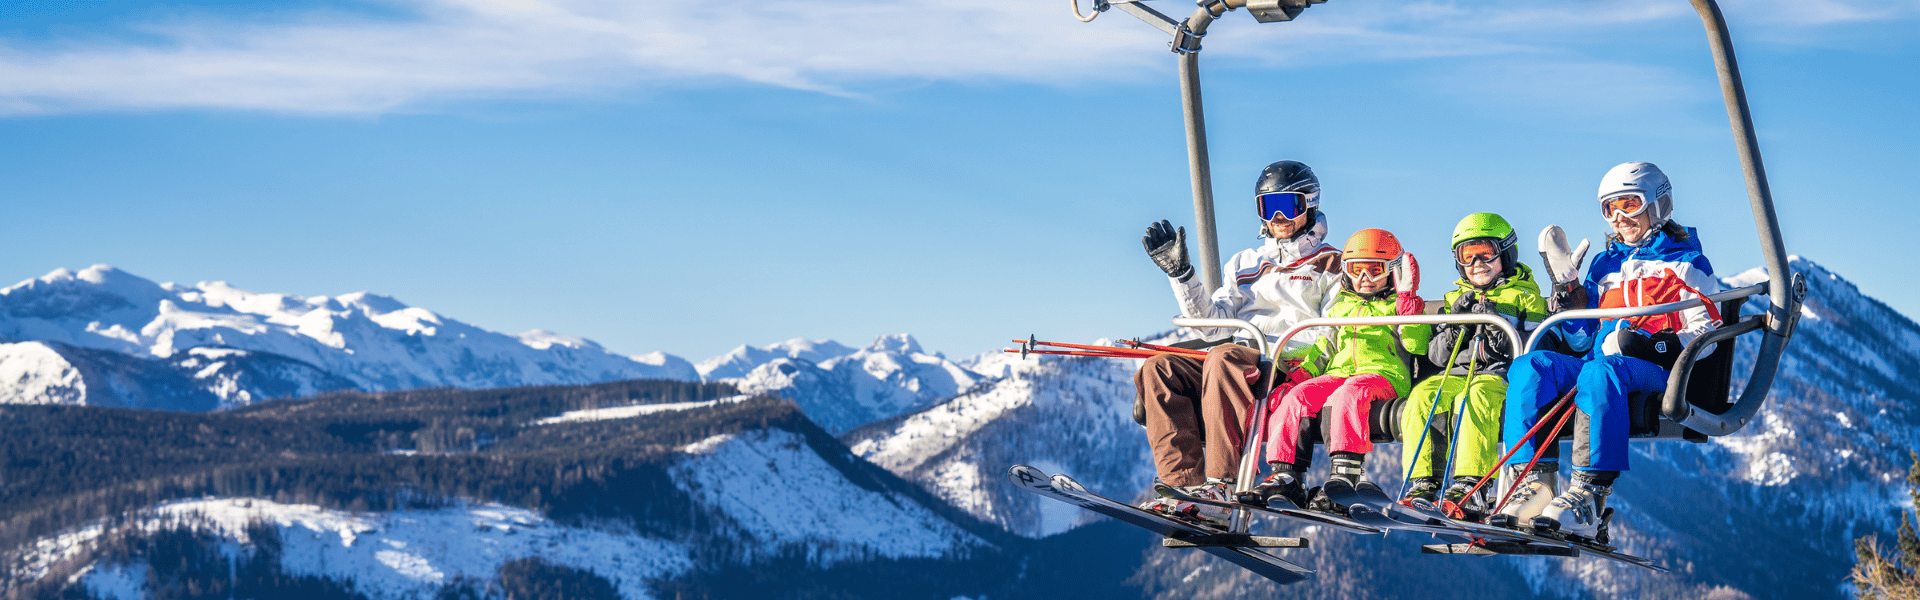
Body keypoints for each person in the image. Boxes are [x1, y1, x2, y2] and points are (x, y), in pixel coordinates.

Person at [1494, 162, 1721, 540]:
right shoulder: (1605, 265)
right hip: (1598, 365)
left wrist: (1655, 345)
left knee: (1601, 372)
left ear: (1658, 204)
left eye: (1629, 205)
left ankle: (1589, 494)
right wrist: (1570, 292)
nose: (1619, 218)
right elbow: (1582, 339)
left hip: (1653, 372)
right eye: (1609, 209)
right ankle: (1536, 482)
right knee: (1530, 366)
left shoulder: (1687, 263)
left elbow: (1708, 330)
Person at [1134, 160, 1344, 525]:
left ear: (1310, 205)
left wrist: (1282, 354)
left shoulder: (1332, 264)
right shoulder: (1246, 263)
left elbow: (1330, 335)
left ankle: (1222, 487)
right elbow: (1211, 328)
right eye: (1267, 206)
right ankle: (1183, 488)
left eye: (1289, 205)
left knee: (1223, 358)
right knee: (1158, 368)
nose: (1277, 216)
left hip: (1288, 359)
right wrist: (1182, 276)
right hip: (1238, 359)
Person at [1246, 228, 1429, 513]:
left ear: (1393, 272)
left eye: (1375, 271)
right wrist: (1295, 377)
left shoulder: (1398, 307)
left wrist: (1408, 301)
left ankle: (1346, 473)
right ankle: (1287, 475)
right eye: (1357, 271)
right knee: (1299, 396)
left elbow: (1416, 344)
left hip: (1381, 376)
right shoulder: (1341, 308)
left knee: (1348, 393)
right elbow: (1321, 349)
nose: (1364, 280)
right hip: (1339, 374)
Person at [1397, 213, 1547, 512]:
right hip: (1457, 372)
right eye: (1468, 256)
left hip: (1499, 375)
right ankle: (1423, 482)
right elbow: (1437, 356)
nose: (1477, 263)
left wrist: (1495, 323)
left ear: (1505, 253)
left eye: (1486, 253)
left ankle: (1471, 484)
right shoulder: (1455, 297)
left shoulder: (1526, 297)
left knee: (1475, 396)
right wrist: (1455, 325)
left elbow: (1532, 347)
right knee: (1423, 396)